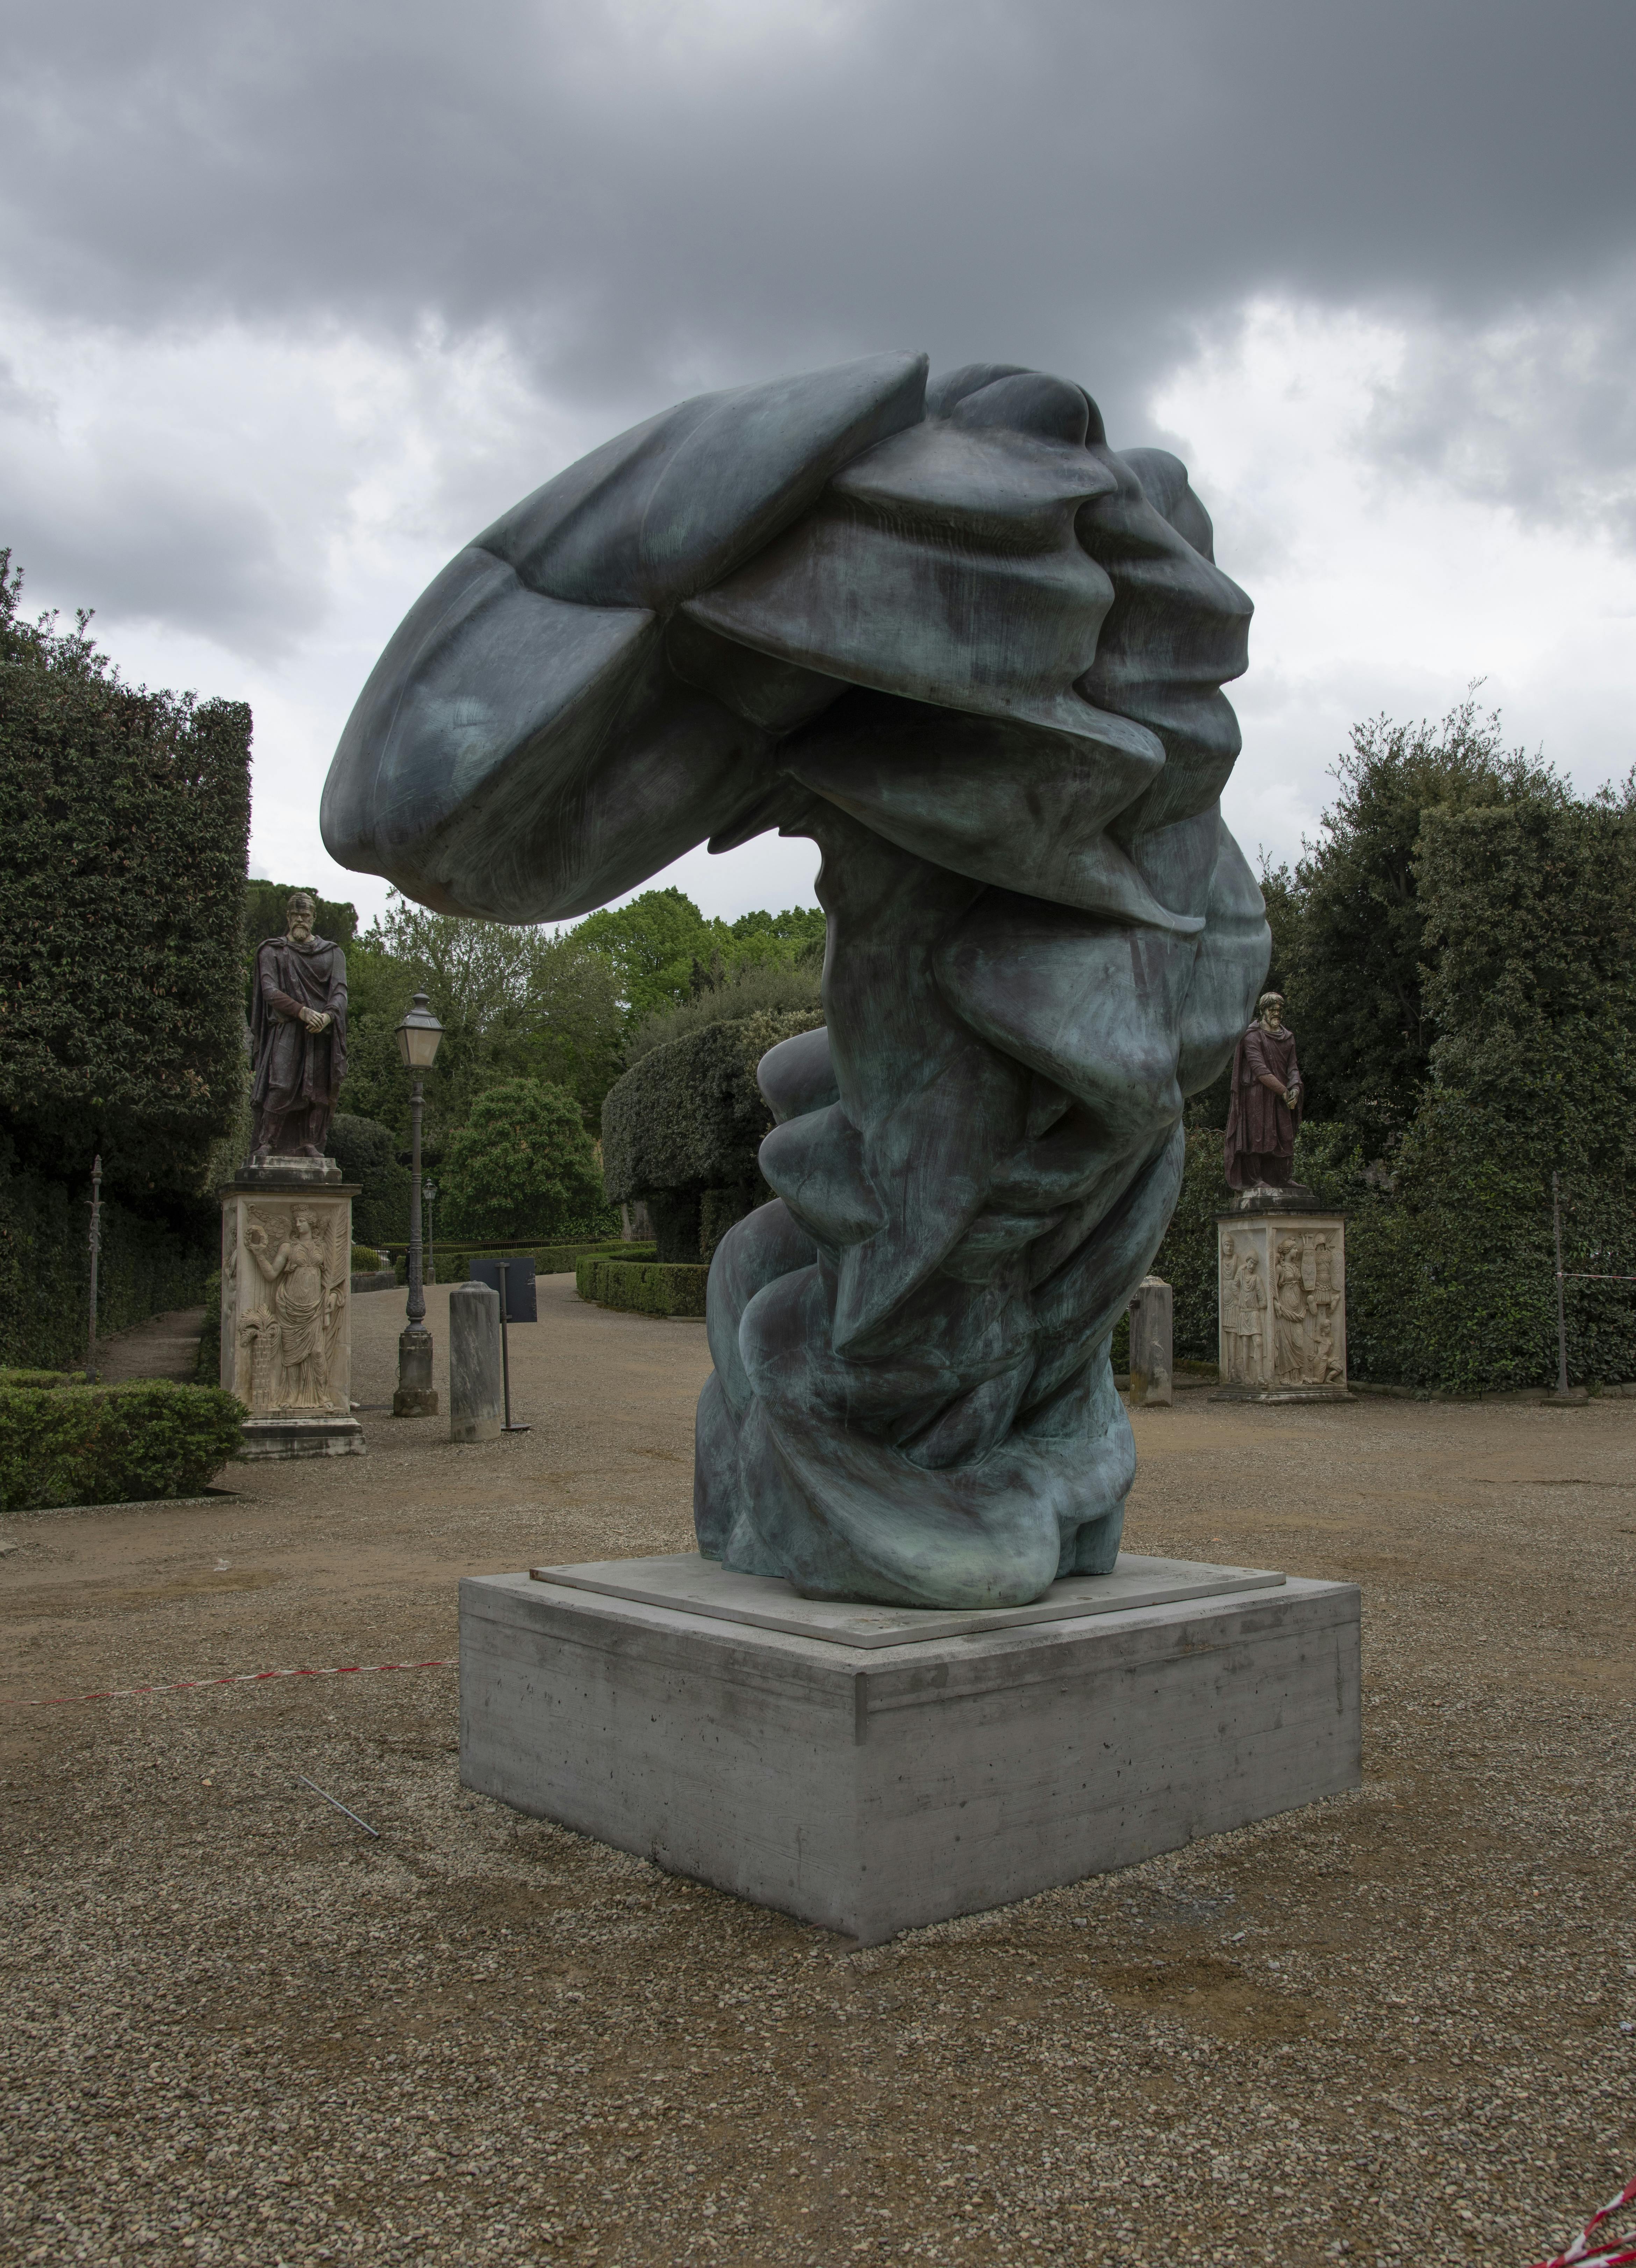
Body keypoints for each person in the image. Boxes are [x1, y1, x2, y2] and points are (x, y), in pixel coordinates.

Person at [250, 892, 348, 1162]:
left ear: (314, 918)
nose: (301, 920)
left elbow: (340, 993)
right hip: (288, 1029)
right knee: (280, 1085)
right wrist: (303, 1012)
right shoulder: (272, 951)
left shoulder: (332, 953)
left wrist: (328, 1017)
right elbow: (270, 991)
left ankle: (310, 1143)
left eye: (306, 916)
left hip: (321, 1033)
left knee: (318, 1091)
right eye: (296, 915)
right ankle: (267, 1143)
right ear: (288, 917)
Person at [1224, 992, 1303, 1190]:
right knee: (1257, 1137)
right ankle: (1255, 1179)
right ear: (1263, 1011)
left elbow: (1293, 1068)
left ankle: (1283, 1179)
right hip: (1257, 1095)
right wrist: (1284, 1091)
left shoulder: (1289, 1038)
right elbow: (1260, 1070)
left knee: (1285, 1136)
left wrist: (1295, 1088)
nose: (1277, 1014)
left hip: (1281, 1096)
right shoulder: (1252, 1036)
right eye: (1272, 1010)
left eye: (1279, 1010)